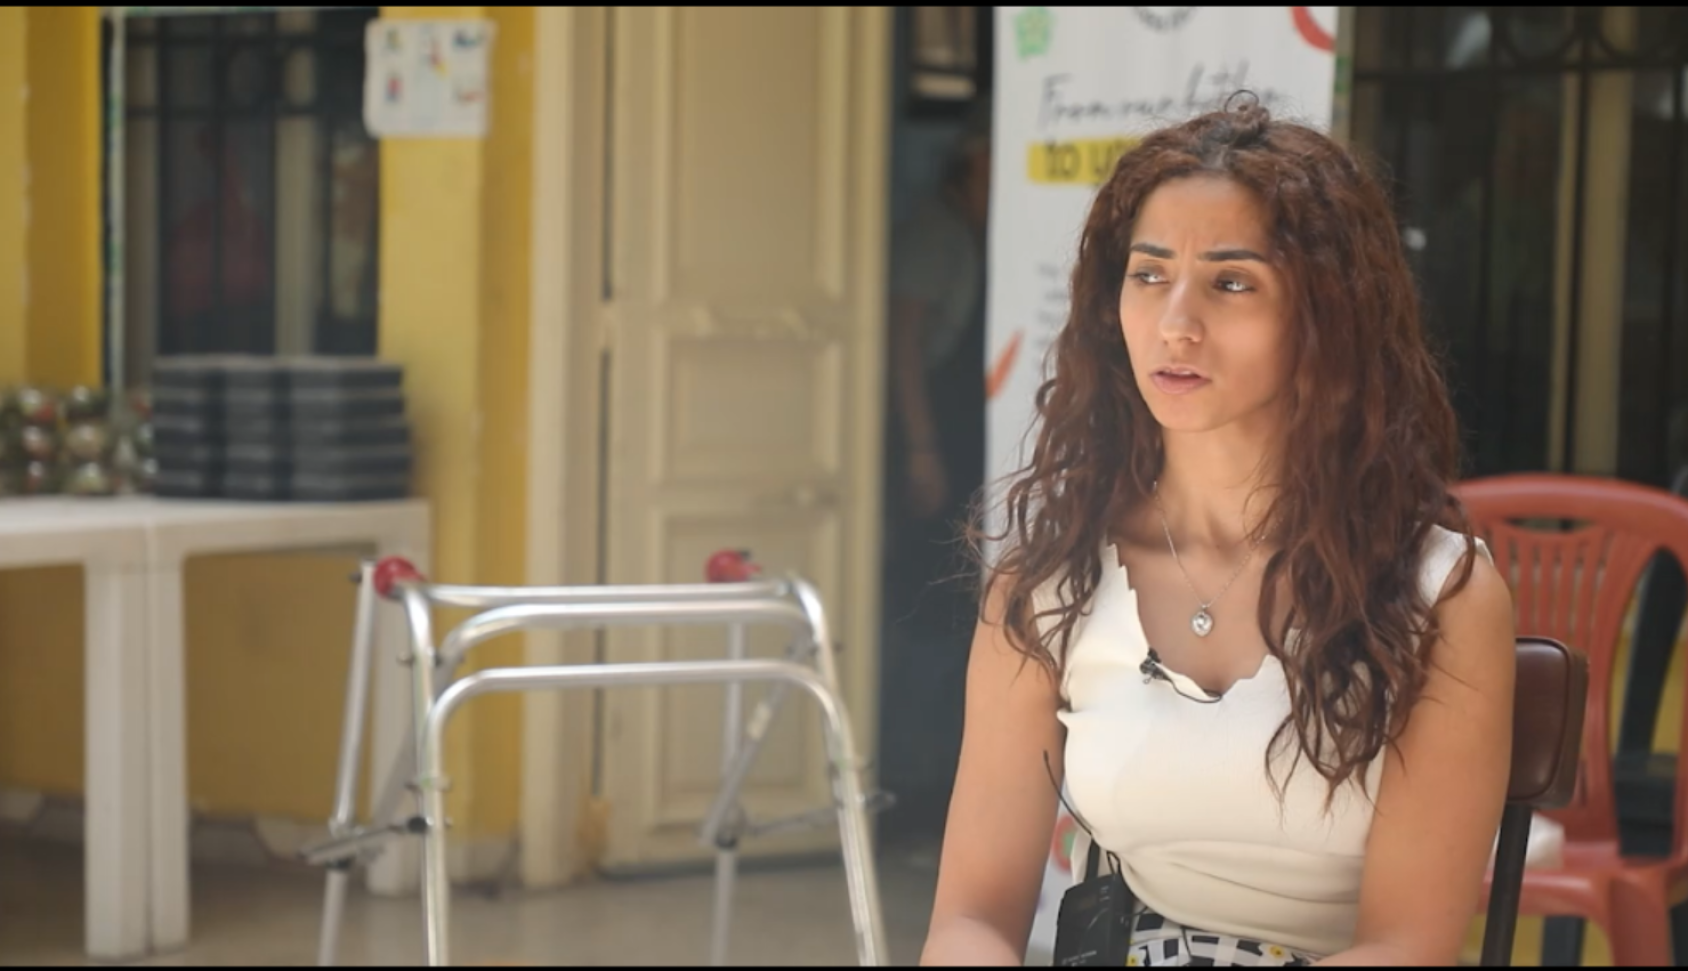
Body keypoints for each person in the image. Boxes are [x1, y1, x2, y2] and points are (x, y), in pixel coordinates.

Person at [921, 96, 1517, 967]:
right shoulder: (1051, 579)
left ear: (1328, 314)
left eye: (1231, 282)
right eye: (1149, 275)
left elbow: (1407, 944)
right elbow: (970, 918)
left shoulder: (1440, 595)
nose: (1176, 323)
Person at [879, 98, 993, 835]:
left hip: (964, 448)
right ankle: (905, 784)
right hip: (934, 448)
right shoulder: (935, 234)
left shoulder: (977, 235)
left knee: (957, 611)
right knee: (929, 610)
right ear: (968, 166)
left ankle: (933, 784)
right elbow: (903, 343)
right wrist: (921, 448)